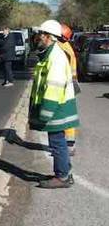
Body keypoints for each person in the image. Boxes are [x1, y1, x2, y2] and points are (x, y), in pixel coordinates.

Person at [29, 20, 80, 188]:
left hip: (56, 107)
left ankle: (62, 177)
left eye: (41, 35)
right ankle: (64, 170)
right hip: (57, 107)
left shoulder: (55, 56)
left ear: (49, 37)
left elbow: (54, 87)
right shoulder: (51, 53)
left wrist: (46, 111)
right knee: (58, 142)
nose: (39, 38)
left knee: (57, 142)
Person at [58, 23, 80, 156]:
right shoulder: (67, 46)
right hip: (70, 83)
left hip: (65, 85)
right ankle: (70, 144)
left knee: (65, 115)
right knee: (68, 114)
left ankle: (69, 145)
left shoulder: (62, 49)